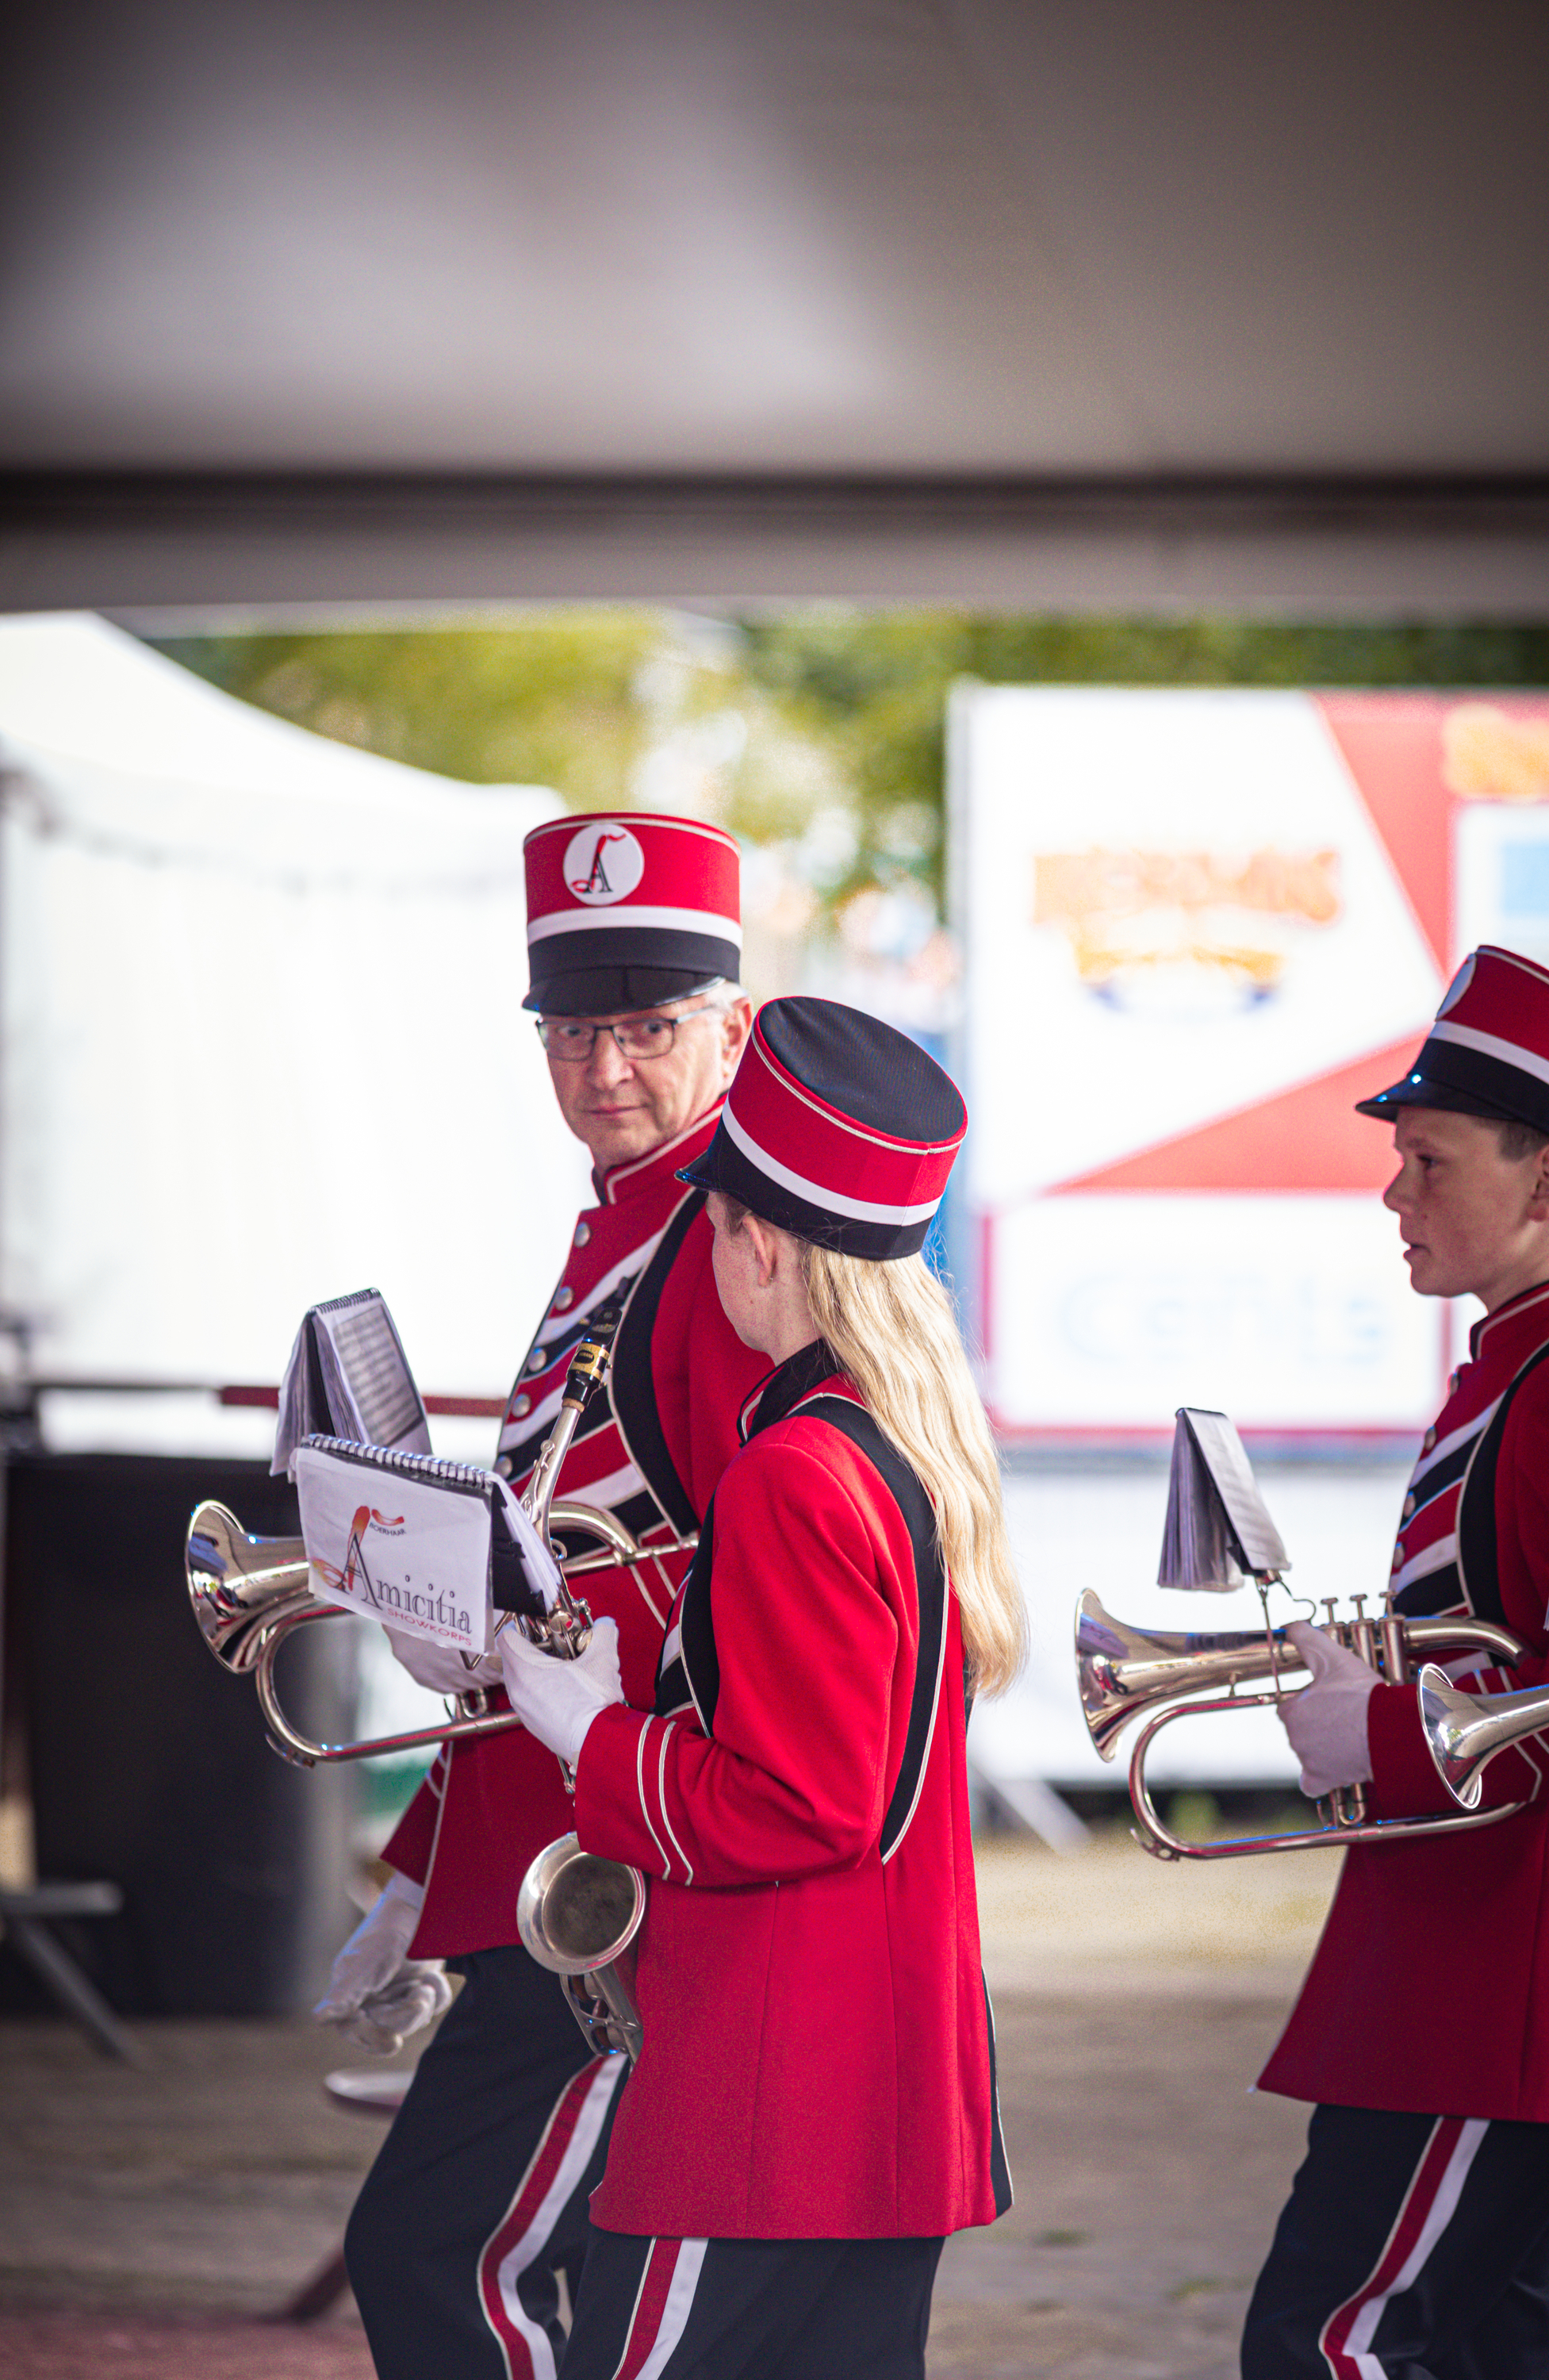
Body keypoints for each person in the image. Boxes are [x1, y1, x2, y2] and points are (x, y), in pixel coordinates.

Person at [498, 996, 1024, 2380]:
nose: (708, 1253)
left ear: (763, 1242)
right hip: (874, 2100)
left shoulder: (793, 1469)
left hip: (767, 2101)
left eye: (718, 1226)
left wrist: (593, 1734)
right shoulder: (889, 1438)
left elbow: (805, 1805)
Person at [323, 812, 773, 2379]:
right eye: (571, 1029)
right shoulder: (618, 1228)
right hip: (557, 1840)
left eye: (647, 1026)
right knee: (549, 2281)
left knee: (448, 2260)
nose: (602, 1069)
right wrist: (418, 1858)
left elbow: (739, 1573)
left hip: (628, 1866)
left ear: (732, 1022)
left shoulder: (728, 1243)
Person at [1244, 944, 1549, 2379]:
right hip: (1478, 1957)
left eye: (1431, 1163)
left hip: (1502, 1972)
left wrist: (1378, 1734)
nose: (1396, 1195)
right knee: (1498, 2347)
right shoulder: (1521, 1359)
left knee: (1335, 2341)